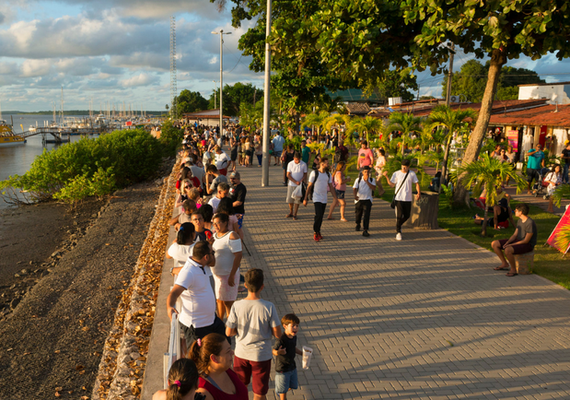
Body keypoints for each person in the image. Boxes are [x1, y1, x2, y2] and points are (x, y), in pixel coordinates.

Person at [226, 269, 282, 400]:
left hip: (241, 353)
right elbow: (278, 333)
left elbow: (228, 332)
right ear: (262, 286)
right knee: (259, 392)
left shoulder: (236, 305)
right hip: (261, 355)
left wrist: (238, 332)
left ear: (245, 285)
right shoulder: (269, 306)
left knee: (241, 388)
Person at [167, 241, 227, 352]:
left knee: (224, 346)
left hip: (211, 321)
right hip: (197, 327)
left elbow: (213, 263)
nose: (214, 254)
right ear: (206, 257)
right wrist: (169, 307)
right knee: (198, 359)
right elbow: (174, 293)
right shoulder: (189, 272)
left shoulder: (200, 265)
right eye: (212, 252)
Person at [188, 333, 248, 400]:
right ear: (214, 358)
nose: (232, 352)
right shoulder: (204, 392)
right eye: (228, 351)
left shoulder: (227, 369)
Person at [491, 203, 537, 277]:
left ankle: (513, 269)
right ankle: (504, 263)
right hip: (518, 240)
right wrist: (508, 242)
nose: (514, 211)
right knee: (494, 243)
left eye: (516, 210)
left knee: (507, 250)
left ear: (521, 212)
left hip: (527, 244)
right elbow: (515, 235)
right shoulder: (519, 220)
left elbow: (526, 241)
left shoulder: (530, 223)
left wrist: (511, 245)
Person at [211, 213, 242, 320]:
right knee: (219, 301)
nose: (215, 226)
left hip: (228, 275)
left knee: (228, 303)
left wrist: (232, 275)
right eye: (214, 223)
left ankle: (230, 327)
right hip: (217, 276)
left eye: (218, 223)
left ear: (225, 223)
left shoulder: (232, 236)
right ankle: (220, 325)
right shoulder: (213, 236)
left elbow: (238, 255)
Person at [383, 158, 421, 241]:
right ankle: (398, 232)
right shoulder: (396, 174)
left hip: (408, 198)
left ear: (408, 166)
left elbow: (416, 184)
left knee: (407, 215)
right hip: (399, 198)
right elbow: (392, 185)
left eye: (406, 166)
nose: (404, 168)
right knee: (399, 216)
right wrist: (386, 177)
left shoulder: (412, 174)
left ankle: (398, 225)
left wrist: (419, 193)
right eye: (403, 166)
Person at [303, 157, 337, 241]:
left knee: (321, 216)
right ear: (322, 164)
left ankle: (318, 231)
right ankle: (315, 232)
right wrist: (305, 198)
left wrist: (335, 197)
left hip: (324, 198)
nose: (328, 165)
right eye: (327, 163)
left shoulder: (328, 174)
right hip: (316, 197)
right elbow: (309, 186)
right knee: (318, 215)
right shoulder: (314, 173)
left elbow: (331, 186)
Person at [273, 314, 303, 400]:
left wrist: (301, 353)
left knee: (293, 386)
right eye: (293, 325)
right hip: (282, 369)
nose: (295, 328)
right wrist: (279, 352)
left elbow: (293, 347)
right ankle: (280, 392)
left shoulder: (294, 337)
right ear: (285, 326)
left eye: (297, 326)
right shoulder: (281, 339)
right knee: (283, 392)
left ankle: (279, 390)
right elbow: (273, 351)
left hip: (292, 367)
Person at [353, 166, 376, 237]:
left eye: (368, 172)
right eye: (365, 172)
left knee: (366, 215)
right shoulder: (358, 180)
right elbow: (354, 188)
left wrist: (367, 181)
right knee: (358, 214)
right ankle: (358, 224)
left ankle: (365, 229)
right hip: (359, 200)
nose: (366, 173)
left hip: (368, 199)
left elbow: (374, 188)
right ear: (362, 172)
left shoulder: (372, 180)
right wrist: (355, 195)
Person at [285, 151, 308, 220]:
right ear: (293, 158)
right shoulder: (290, 164)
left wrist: (302, 180)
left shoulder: (303, 164)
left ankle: (295, 214)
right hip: (291, 184)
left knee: (297, 200)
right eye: (296, 159)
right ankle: (291, 212)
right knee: (290, 199)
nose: (297, 161)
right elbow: (288, 174)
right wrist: (294, 181)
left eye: (298, 159)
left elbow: (305, 174)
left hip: (299, 185)